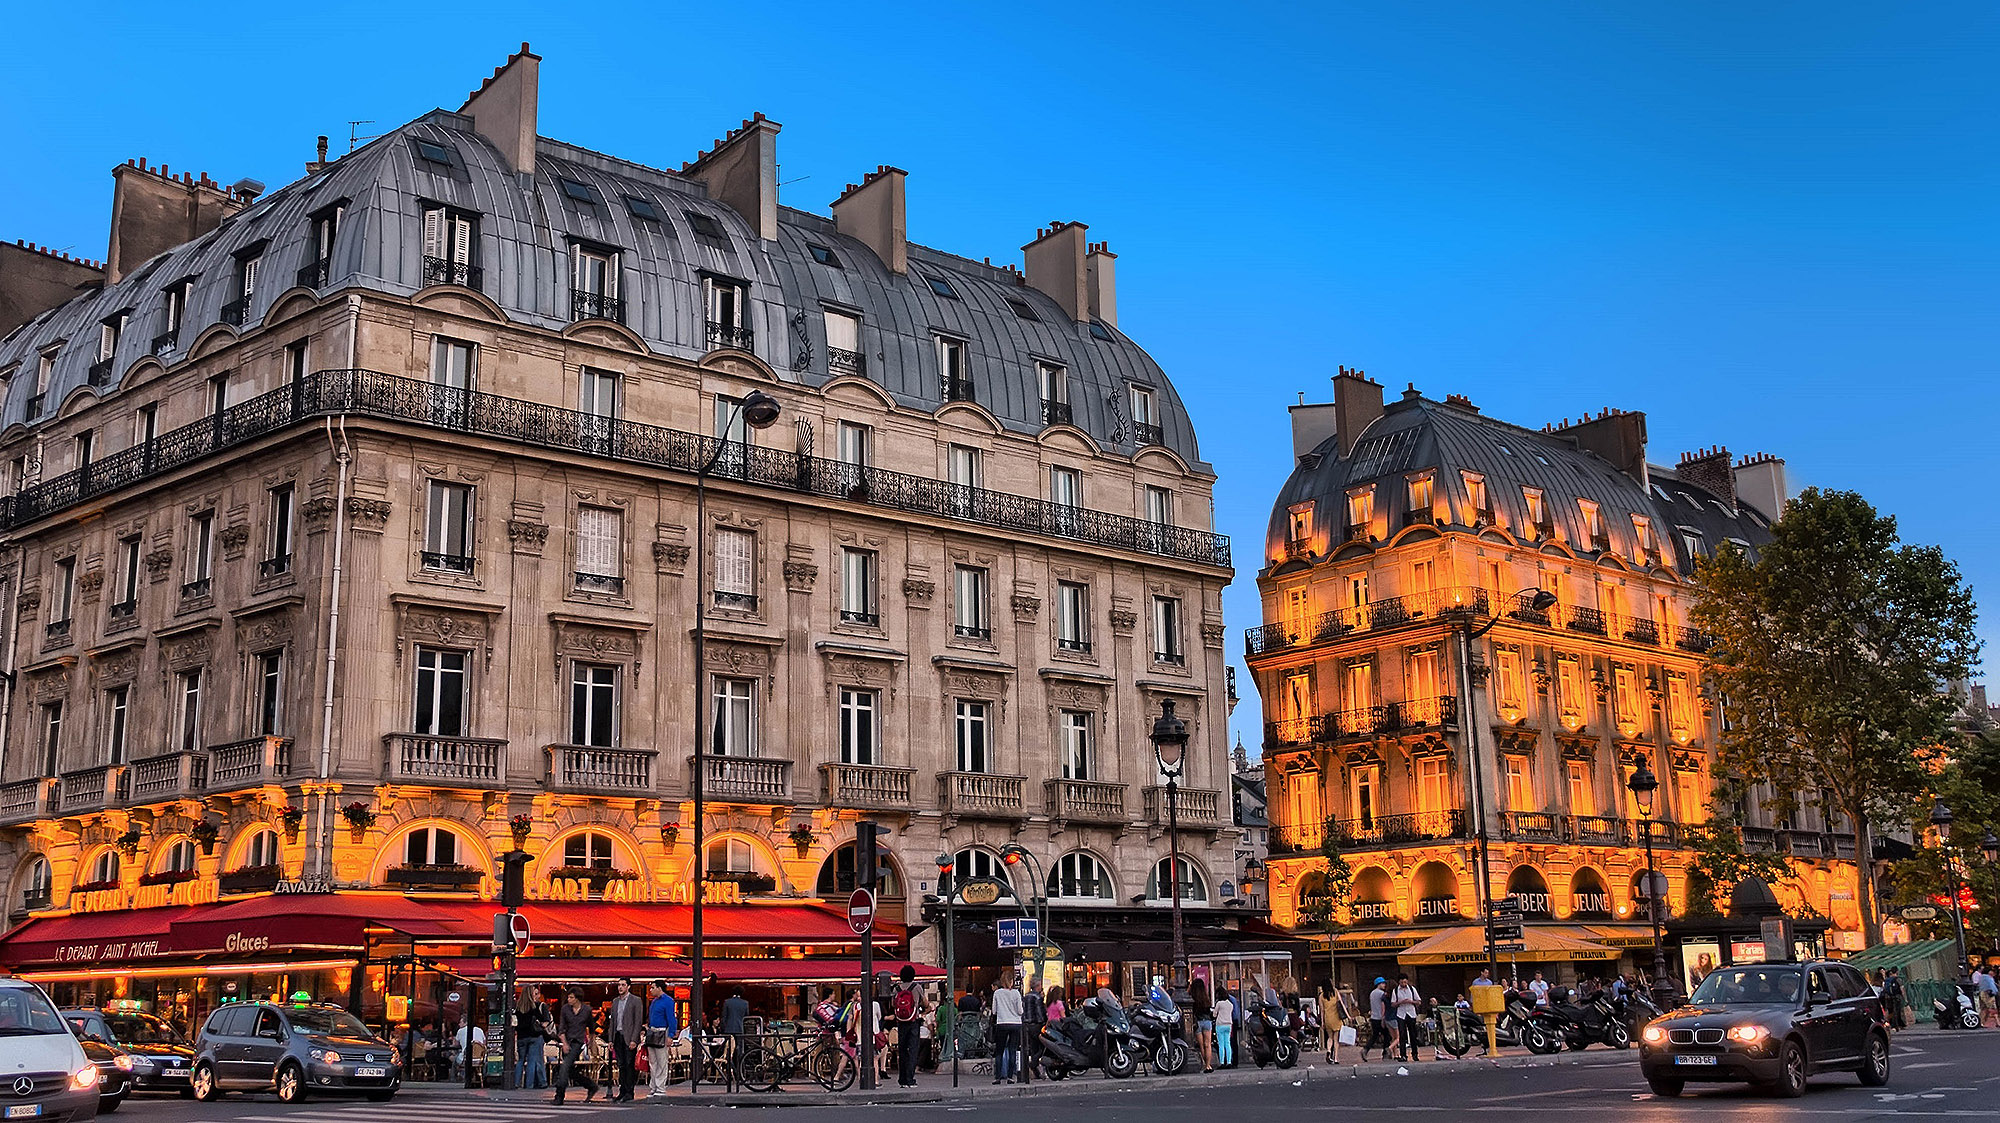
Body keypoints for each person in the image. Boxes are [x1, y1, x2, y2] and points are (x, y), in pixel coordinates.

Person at [554, 989, 600, 1104]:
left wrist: (591, 1040)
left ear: (577, 999)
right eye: (568, 997)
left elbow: (591, 1026)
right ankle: (590, 1085)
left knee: (565, 1067)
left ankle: (559, 1095)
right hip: (567, 1039)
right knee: (568, 1070)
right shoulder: (565, 1009)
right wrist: (564, 1042)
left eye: (571, 997)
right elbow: (562, 1027)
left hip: (578, 1041)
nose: (569, 1000)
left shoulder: (586, 1010)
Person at [605, 978, 644, 1102]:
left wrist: (634, 1039)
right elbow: (612, 1022)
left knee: (629, 1064)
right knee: (621, 1065)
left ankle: (629, 1091)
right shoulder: (615, 1001)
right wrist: (610, 1039)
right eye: (619, 985)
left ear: (628, 986)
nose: (620, 987)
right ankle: (622, 1091)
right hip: (618, 1035)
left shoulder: (635, 1000)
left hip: (629, 1036)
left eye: (623, 985)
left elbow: (638, 1021)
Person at [646, 979, 679, 1096]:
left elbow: (671, 1019)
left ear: (659, 988)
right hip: (653, 1031)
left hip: (661, 1031)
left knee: (661, 1061)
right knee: (653, 1061)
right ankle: (654, 1086)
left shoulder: (668, 1001)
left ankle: (660, 1087)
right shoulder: (654, 1002)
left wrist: (671, 1035)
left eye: (653, 987)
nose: (651, 990)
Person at [892, 965, 922, 1087]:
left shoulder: (896, 988)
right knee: (913, 1050)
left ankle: (902, 1079)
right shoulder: (917, 987)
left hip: (901, 1022)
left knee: (902, 1050)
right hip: (913, 1021)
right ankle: (910, 1079)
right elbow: (924, 1002)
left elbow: (892, 1004)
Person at [990, 971, 1023, 1083]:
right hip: (1015, 1023)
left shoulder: (997, 993)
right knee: (1012, 1050)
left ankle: (998, 1077)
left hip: (1002, 1023)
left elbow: (994, 1011)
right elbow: (1020, 1011)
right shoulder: (1016, 993)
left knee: (999, 1051)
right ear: (1012, 981)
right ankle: (1010, 1076)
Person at [516, 994, 548, 1090]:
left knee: (520, 1060)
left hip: (521, 1036)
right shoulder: (533, 1007)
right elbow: (542, 1019)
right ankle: (529, 1085)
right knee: (531, 1061)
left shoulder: (518, 1007)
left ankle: (516, 1083)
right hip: (533, 1036)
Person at [1392, 975, 1422, 1063]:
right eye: (1401, 983)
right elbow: (1393, 1004)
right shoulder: (1396, 991)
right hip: (1401, 1014)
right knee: (1402, 1035)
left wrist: (1411, 1001)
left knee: (1413, 1034)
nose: (1403, 984)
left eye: (1405, 982)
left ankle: (1415, 1054)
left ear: (1407, 981)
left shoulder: (1412, 989)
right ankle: (1403, 1055)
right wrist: (1400, 1002)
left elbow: (1419, 1001)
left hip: (1411, 1013)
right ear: (1399, 982)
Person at [1190, 977, 1215, 1073]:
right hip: (1207, 1021)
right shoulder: (1206, 998)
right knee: (1208, 1044)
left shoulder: (1193, 998)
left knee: (1201, 1046)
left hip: (1198, 1022)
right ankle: (1208, 1065)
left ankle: (1205, 1065)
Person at [1363, 977, 1390, 1062]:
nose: (1384, 985)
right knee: (1386, 1035)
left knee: (1374, 1035)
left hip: (1373, 1017)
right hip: (1380, 1017)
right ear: (1379, 984)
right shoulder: (1382, 994)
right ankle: (1385, 1053)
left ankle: (1366, 1049)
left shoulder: (1372, 993)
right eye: (1383, 983)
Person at [1214, 986, 1235, 1068]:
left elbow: (1214, 1014)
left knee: (1221, 1044)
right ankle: (1229, 1061)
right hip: (1229, 1024)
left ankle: (1222, 1062)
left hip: (1220, 1024)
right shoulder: (1230, 1004)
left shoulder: (1219, 1003)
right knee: (1228, 1044)